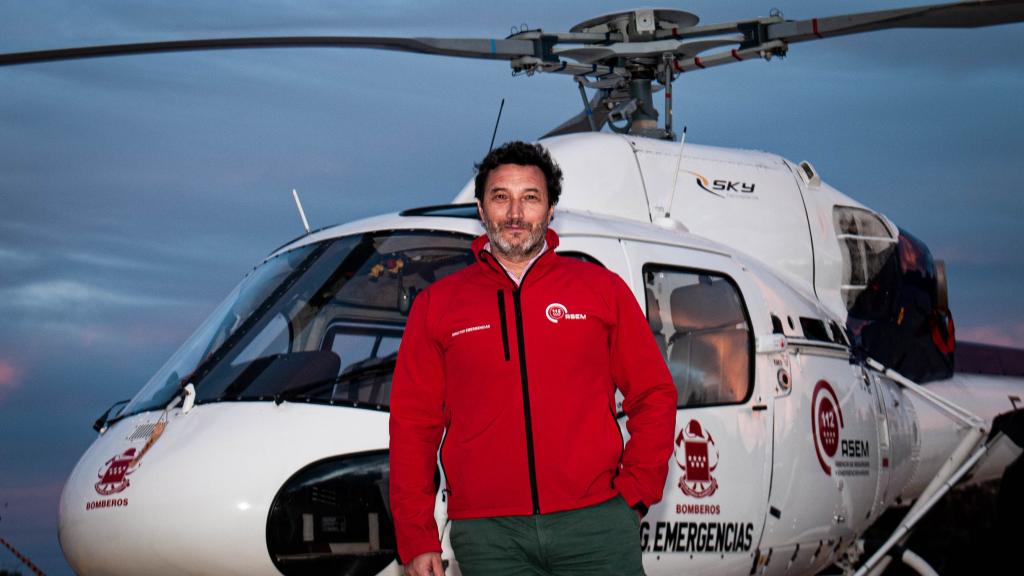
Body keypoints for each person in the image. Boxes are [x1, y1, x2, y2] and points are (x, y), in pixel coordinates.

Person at [389, 141, 677, 576]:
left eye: (531, 198)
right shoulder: (438, 305)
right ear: (482, 210)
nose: (516, 213)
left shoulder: (601, 290)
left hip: (596, 523)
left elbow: (654, 393)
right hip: (489, 536)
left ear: (550, 209)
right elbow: (413, 427)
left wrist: (634, 494)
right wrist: (416, 536)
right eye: (501, 197)